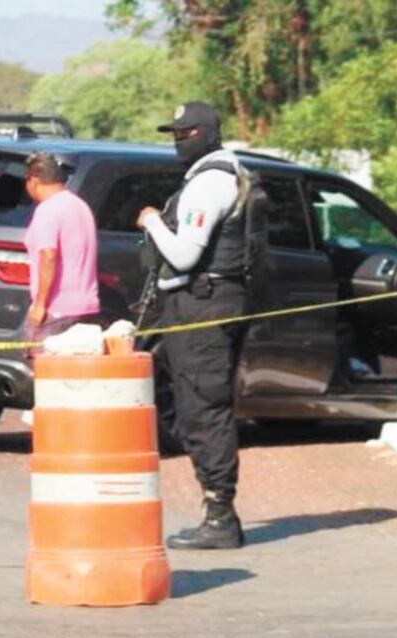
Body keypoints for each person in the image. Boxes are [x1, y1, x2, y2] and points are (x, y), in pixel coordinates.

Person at [136, 101, 250, 549]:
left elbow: (184, 254)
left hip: (202, 309)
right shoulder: (218, 176)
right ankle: (217, 510)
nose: (177, 142)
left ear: (205, 134)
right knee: (195, 408)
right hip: (200, 307)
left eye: (185, 134)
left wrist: (149, 221)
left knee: (204, 411)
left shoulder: (210, 184)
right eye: (174, 134)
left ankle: (220, 517)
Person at [22, 152, 100, 340]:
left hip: (56, 310)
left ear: (33, 180)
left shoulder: (47, 210)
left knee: (41, 365)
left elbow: (48, 256)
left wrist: (40, 304)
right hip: (85, 307)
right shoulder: (80, 206)